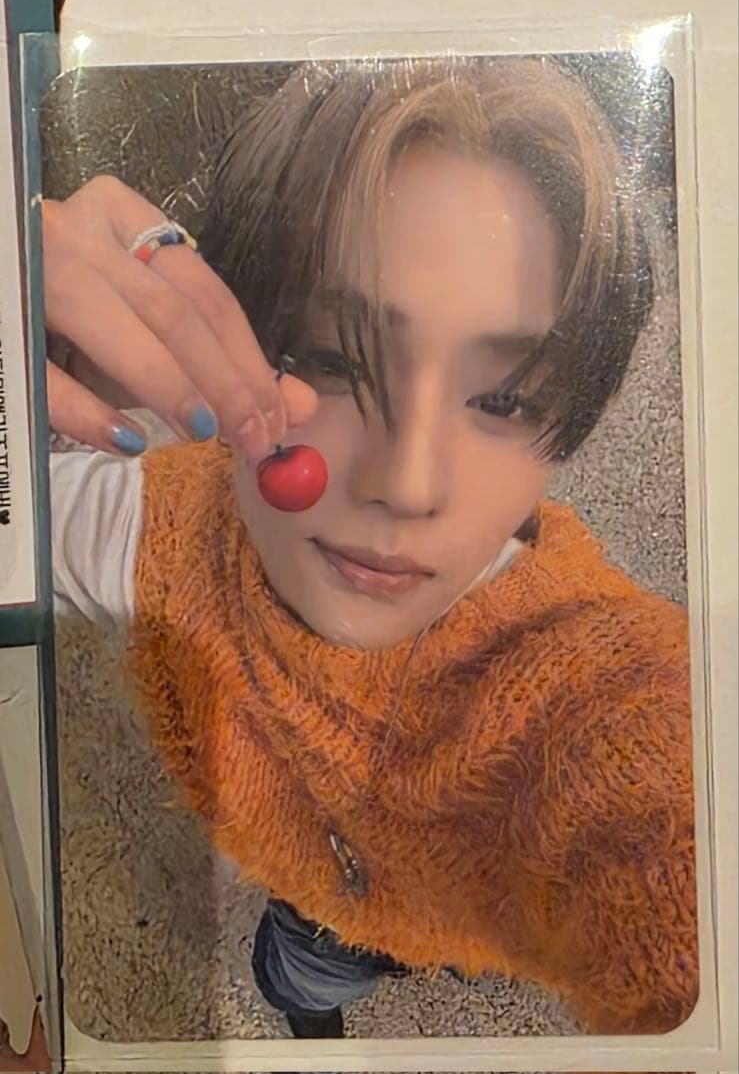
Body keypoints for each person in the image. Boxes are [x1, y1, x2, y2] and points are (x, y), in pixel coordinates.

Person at [45, 55, 697, 1040]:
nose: (407, 483)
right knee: (306, 976)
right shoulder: (166, 528)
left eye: (506, 399)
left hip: (460, 914)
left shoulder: (598, 689)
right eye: (330, 359)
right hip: (312, 904)